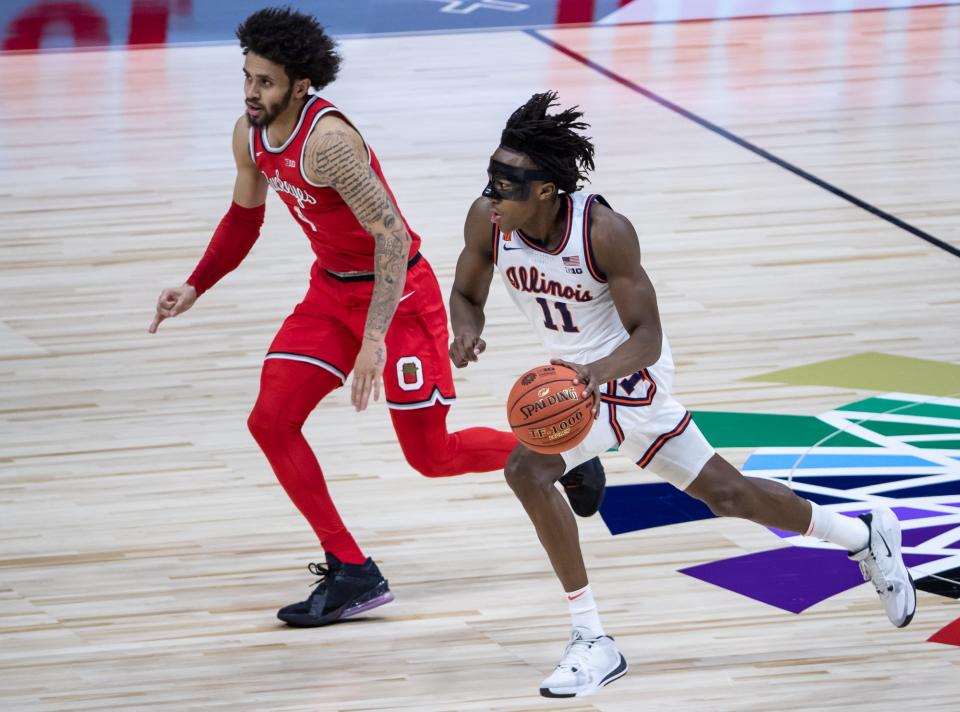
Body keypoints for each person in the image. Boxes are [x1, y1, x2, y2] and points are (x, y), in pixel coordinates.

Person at [449, 91, 916, 698]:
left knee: (526, 470)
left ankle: (592, 639)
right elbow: (466, 292)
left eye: (504, 182)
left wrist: (596, 376)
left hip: (629, 376)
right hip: (576, 379)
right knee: (730, 494)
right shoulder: (488, 219)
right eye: (490, 176)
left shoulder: (603, 231)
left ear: (544, 190)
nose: (491, 191)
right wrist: (466, 330)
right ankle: (865, 535)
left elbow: (648, 337)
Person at [147, 9, 605, 629]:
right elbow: (244, 219)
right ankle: (351, 570)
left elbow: (390, 238)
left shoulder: (328, 143)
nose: (252, 93)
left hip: (401, 300)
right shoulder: (249, 134)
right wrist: (195, 283)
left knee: (432, 456)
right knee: (271, 421)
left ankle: (564, 457)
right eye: (248, 78)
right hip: (330, 295)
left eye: (266, 82)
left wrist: (372, 343)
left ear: (300, 84)